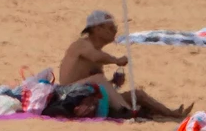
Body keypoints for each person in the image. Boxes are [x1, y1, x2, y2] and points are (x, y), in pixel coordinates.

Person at [57, 10, 189, 120]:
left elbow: (97, 85)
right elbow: (96, 58)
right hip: (68, 93)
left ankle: (171, 113)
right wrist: (116, 60)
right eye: (110, 28)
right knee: (98, 78)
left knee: (138, 94)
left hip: (85, 94)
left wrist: (113, 82)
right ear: (97, 29)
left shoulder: (96, 51)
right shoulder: (82, 44)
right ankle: (126, 111)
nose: (114, 31)